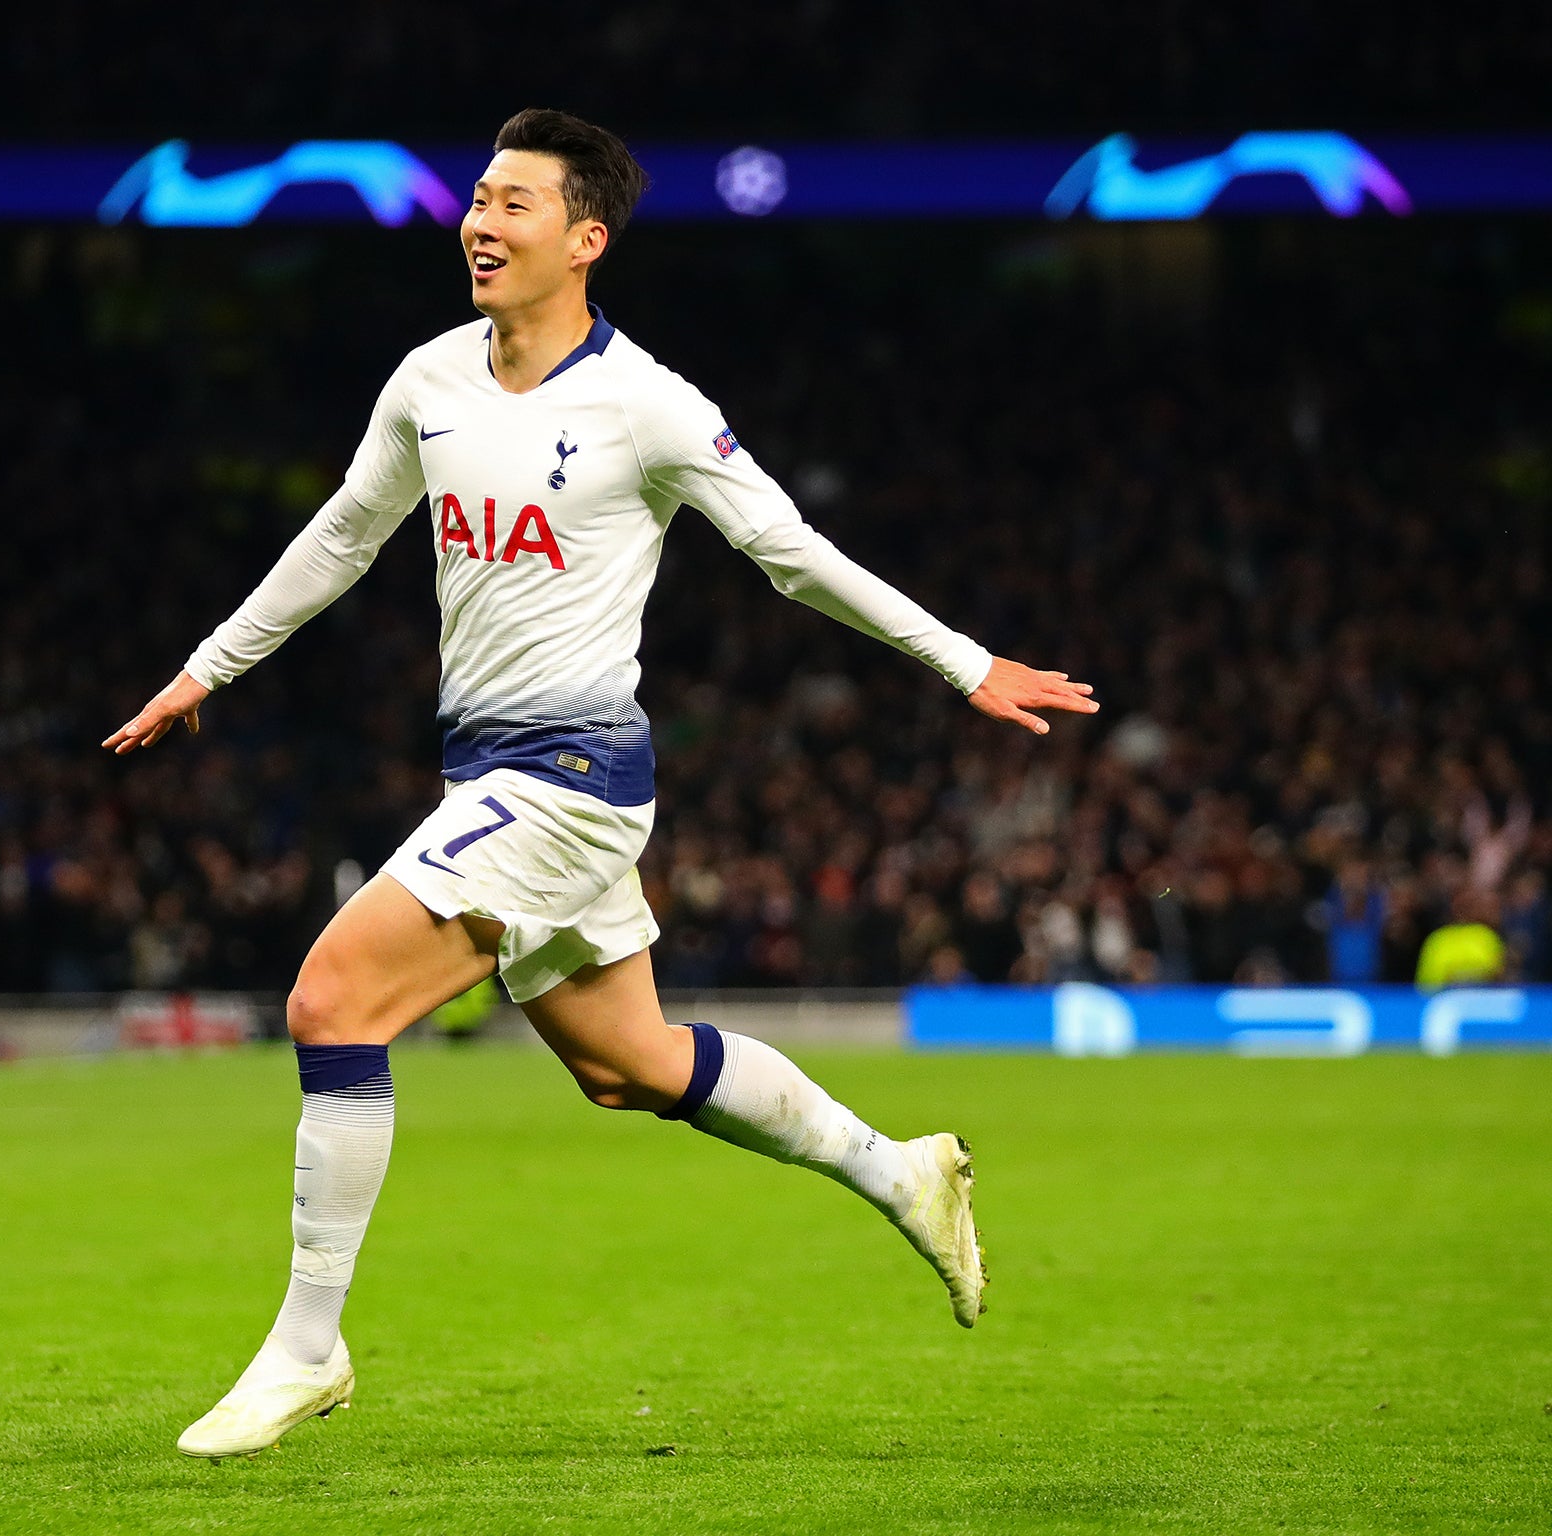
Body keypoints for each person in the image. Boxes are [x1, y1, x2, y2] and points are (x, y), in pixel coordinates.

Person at [105, 109, 1099, 1460]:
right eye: (477, 198)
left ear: (586, 239)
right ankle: (899, 1169)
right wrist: (208, 670)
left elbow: (792, 553)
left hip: (573, 777)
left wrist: (966, 662)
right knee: (629, 1066)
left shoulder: (650, 407)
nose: (479, 221)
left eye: (514, 204)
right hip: (489, 772)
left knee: (331, 1001)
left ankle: (308, 1347)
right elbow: (345, 531)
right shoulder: (429, 383)